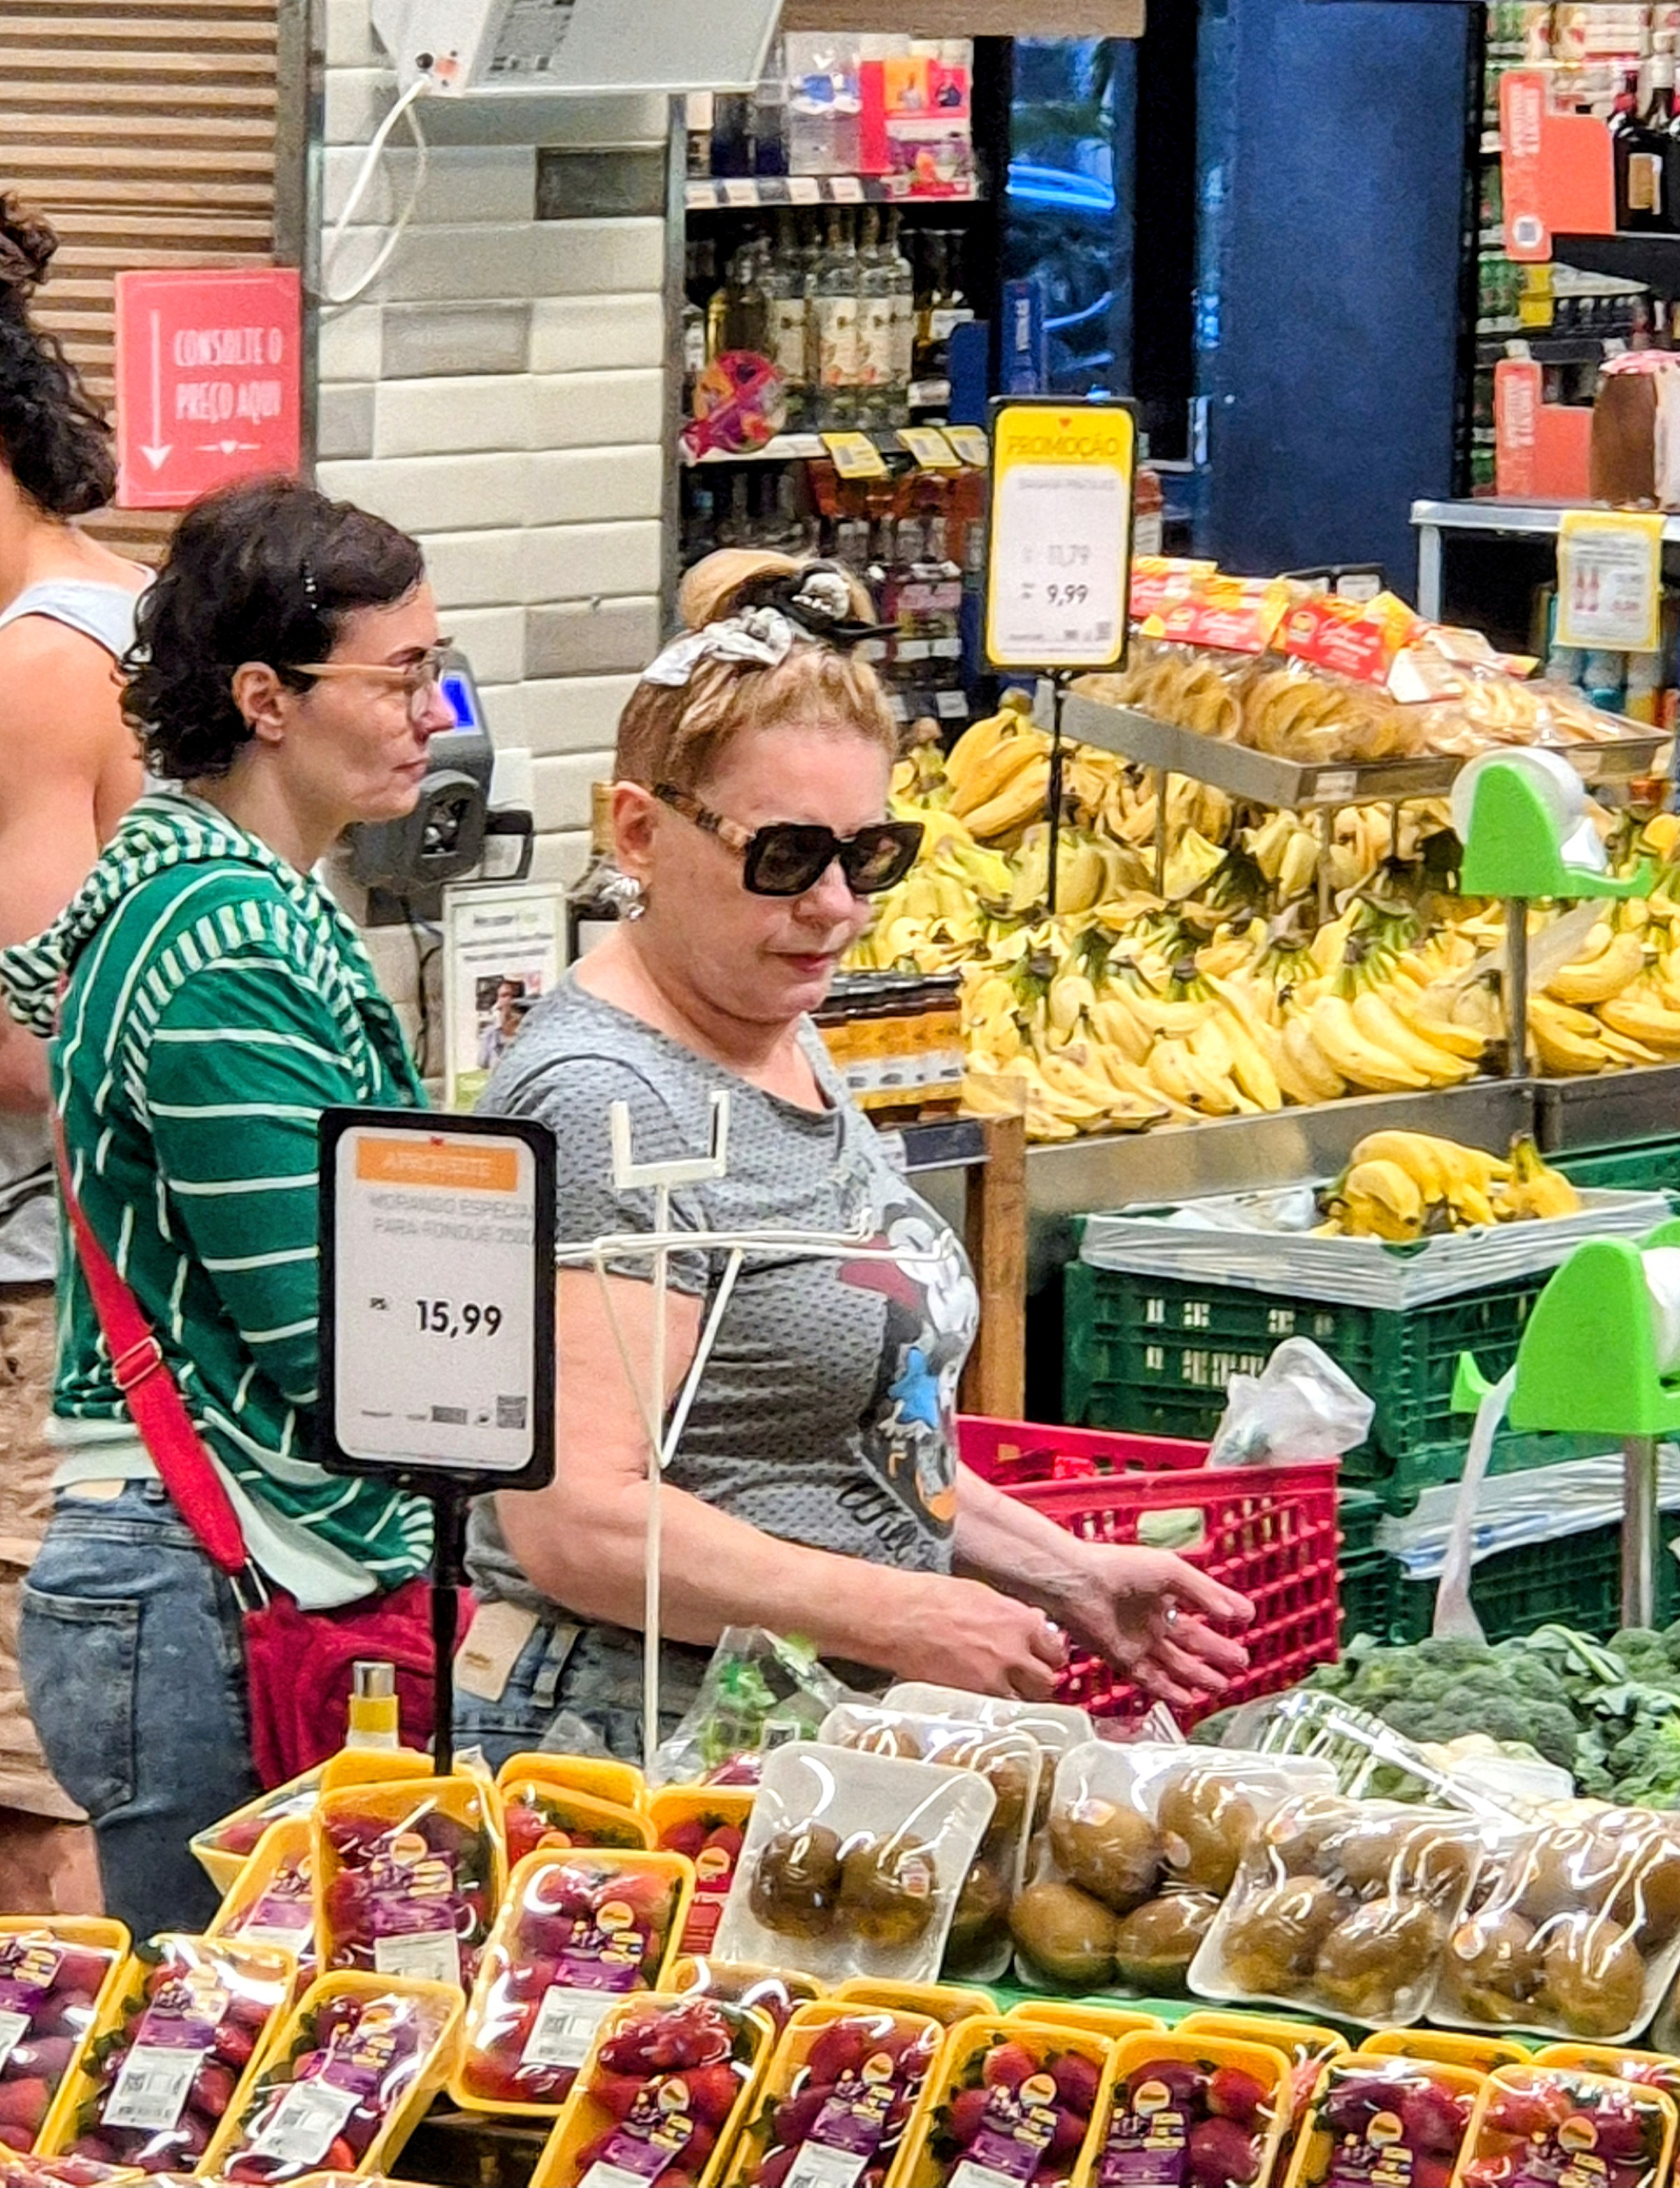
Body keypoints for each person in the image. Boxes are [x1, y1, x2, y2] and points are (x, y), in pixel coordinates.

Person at [457, 553, 1253, 1765]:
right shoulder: (604, 1101)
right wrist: (907, 1613)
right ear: (638, 830)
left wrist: (1062, 1572)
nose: (837, 906)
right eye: (784, 858)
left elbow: (850, 1428)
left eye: (868, 856)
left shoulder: (774, 1026)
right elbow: (579, 1523)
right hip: (642, 1747)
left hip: (799, 1727)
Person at [0, 473, 455, 1932]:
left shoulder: (197, 898)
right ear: (267, 696)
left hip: (196, 1571)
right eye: (402, 678)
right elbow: (328, 1331)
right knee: (219, 2071)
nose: (435, 719)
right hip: (207, 1580)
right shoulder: (227, 947)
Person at [0, 193, 148, 1899]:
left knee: (36, 1801)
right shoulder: (123, 605)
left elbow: (52, 1040)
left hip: (37, 1309)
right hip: (88, 1292)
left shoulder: (42, 668)